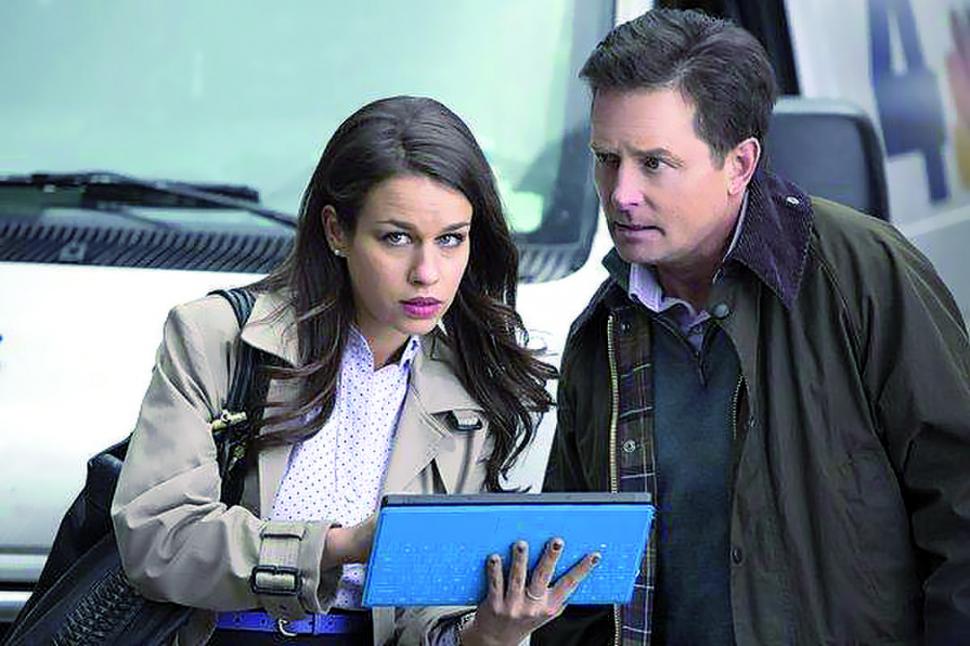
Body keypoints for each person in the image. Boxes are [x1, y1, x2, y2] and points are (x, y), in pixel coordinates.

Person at [536, 8, 970, 646]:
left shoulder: (863, 275)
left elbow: (959, 508)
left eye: (654, 163)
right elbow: (575, 591)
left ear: (739, 164)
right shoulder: (599, 333)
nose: (621, 193)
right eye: (607, 159)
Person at [111, 96, 598, 646]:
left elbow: (427, 618)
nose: (427, 272)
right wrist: (343, 545)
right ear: (336, 231)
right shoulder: (217, 336)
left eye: (450, 239)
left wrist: (489, 632)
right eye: (396, 237)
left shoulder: (475, 384)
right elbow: (158, 539)